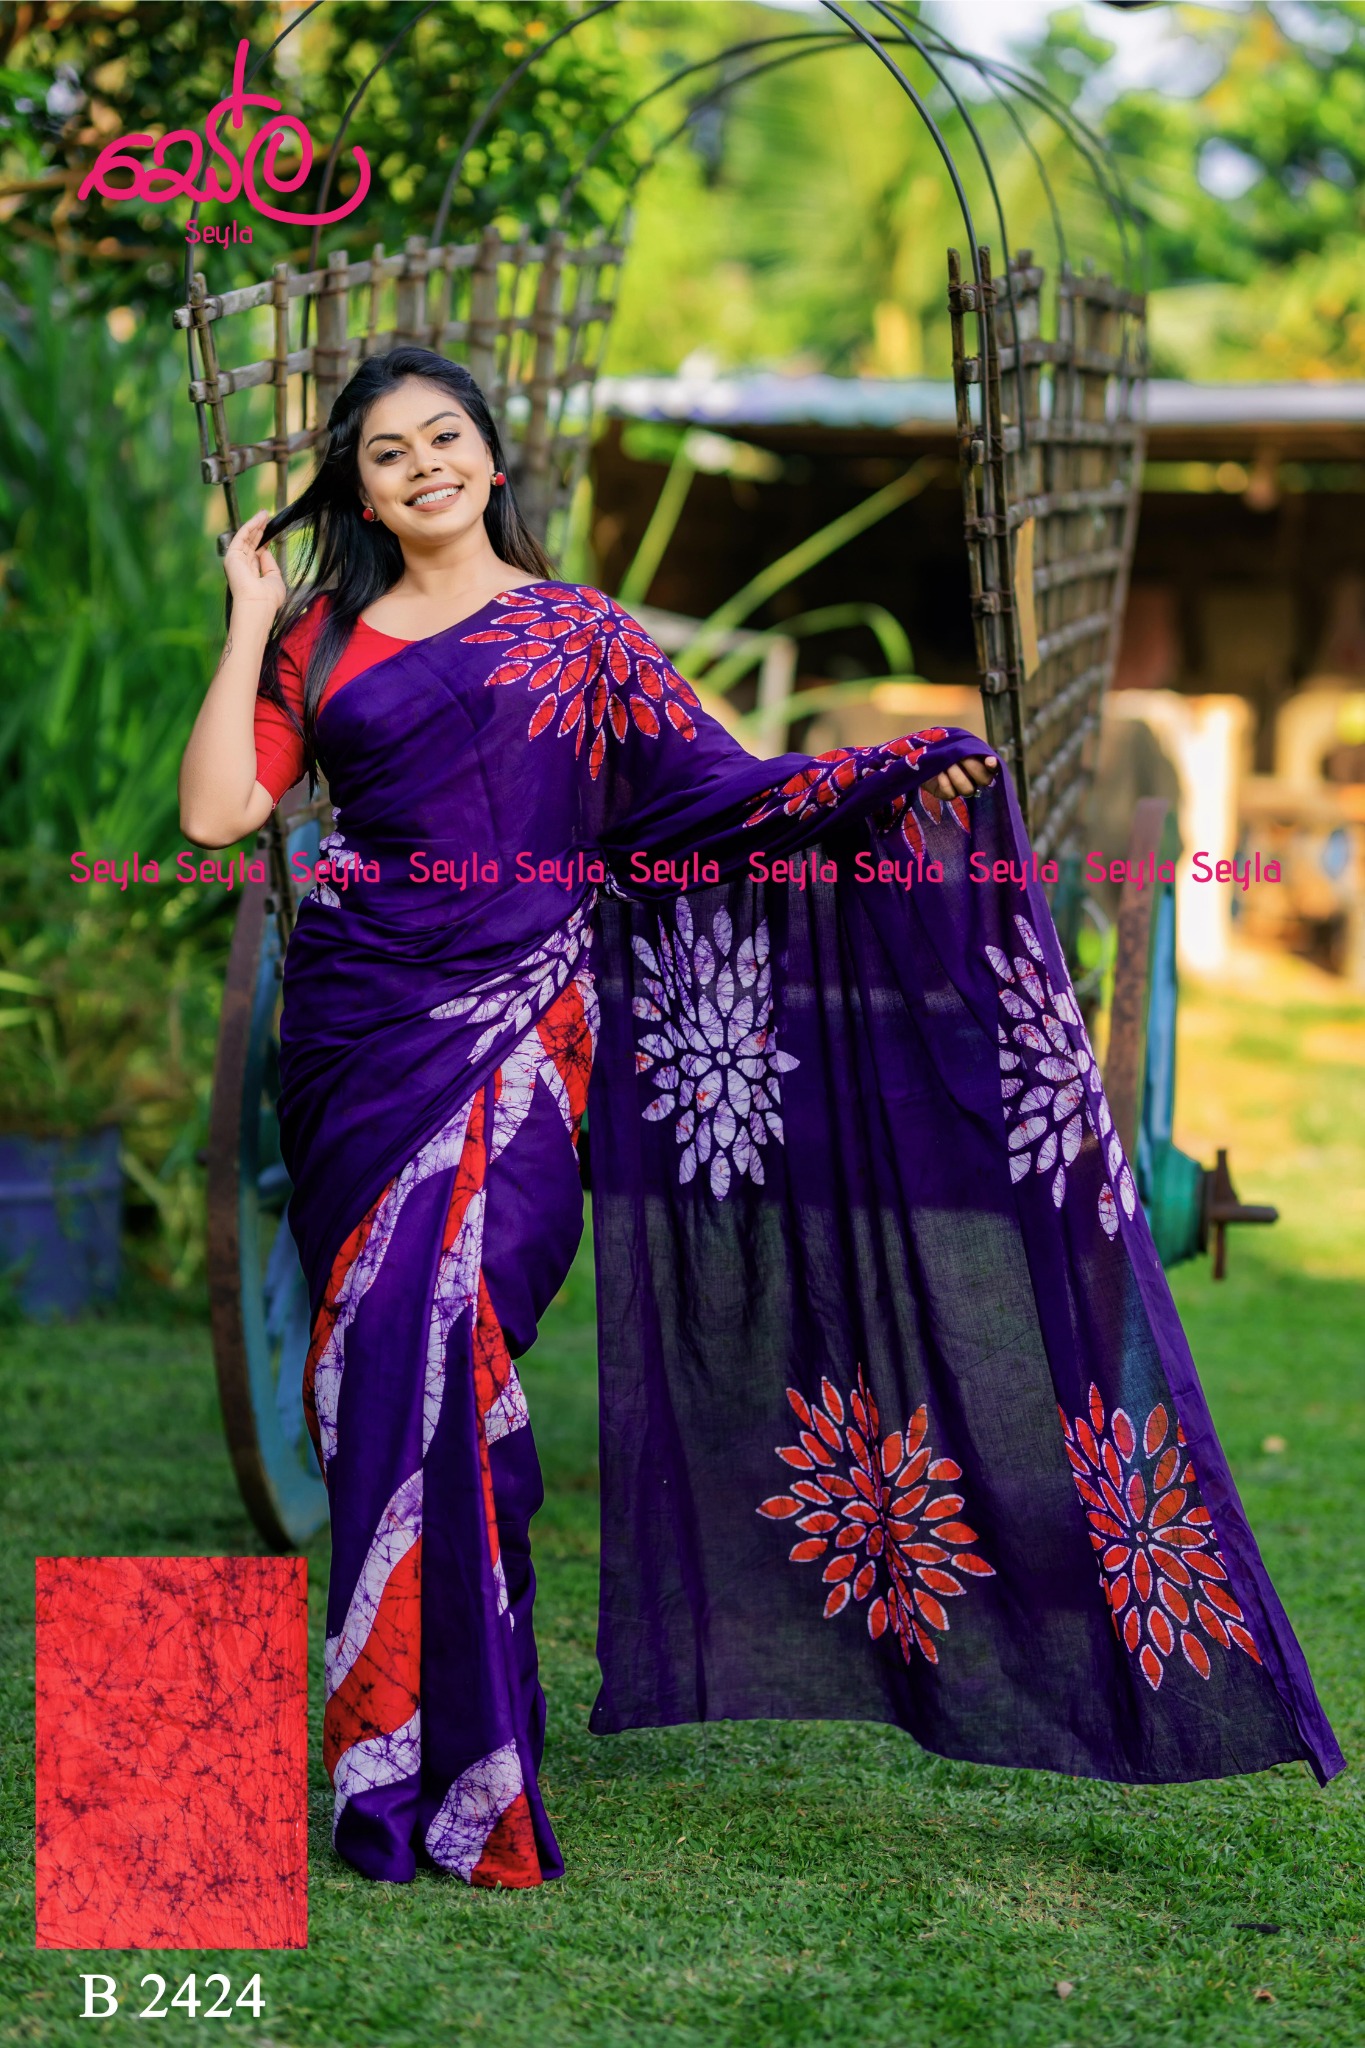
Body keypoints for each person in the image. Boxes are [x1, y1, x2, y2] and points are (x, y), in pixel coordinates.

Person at [179, 348, 1342, 1891]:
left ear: (492, 460)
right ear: (365, 492)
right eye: (387, 454)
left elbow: (721, 798)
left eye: (444, 436)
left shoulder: (582, 639)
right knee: (369, 1381)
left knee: (447, 1338)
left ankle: (461, 1759)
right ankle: (401, 1744)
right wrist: (251, 614)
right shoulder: (319, 640)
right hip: (355, 1042)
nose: (423, 466)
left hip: (520, 1044)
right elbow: (216, 815)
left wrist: (895, 780)